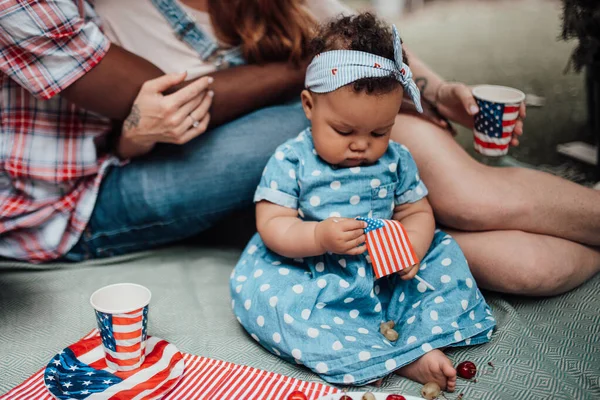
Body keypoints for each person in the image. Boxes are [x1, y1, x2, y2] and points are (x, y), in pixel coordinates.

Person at [1, 0, 598, 298]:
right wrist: (312, 75)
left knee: (399, 159)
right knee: (387, 141)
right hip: (153, 176)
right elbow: (138, 121)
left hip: (289, 169)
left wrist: (438, 90)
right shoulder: (115, 13)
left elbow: (365, 44)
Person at [229, 13, 495, 390]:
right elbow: (272, 223)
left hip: (385, 267)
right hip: (315, 270)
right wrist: (318, 237)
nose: (360, 144)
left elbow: (416, 211)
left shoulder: (396, 159)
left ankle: (415, 342)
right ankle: (388, 354)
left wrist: (413, 248)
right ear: (309, 105)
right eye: (343, 130)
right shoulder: (293, 160)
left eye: (379, 132)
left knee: (445, 267)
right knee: (277, 304)